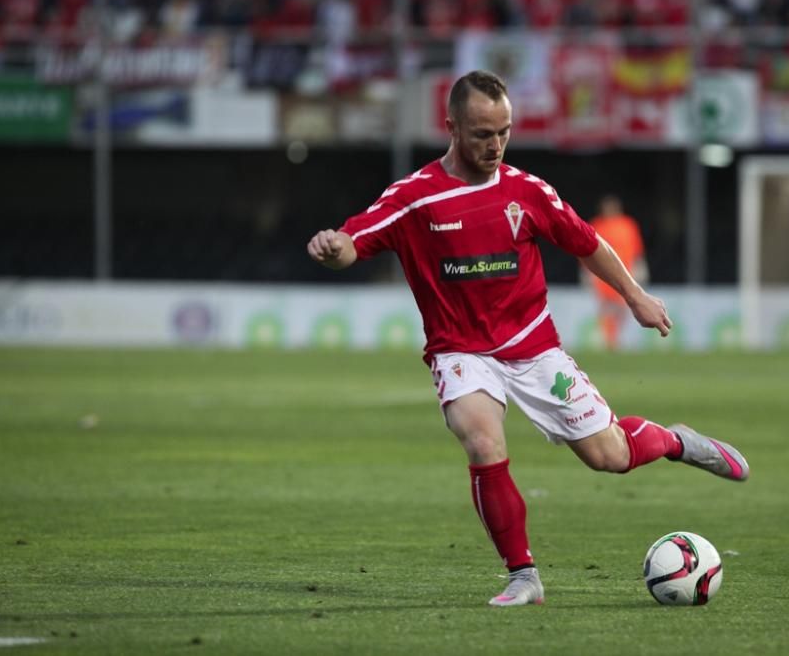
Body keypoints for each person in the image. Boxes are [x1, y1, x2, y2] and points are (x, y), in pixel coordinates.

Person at [307, 70, 749, 607]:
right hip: (460, 349)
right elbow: (356, 239)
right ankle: (523, 576)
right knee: (482, 437)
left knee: (610, 456)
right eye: (481, 134)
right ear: (451, 127)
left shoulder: (527, 191)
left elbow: (587, 244)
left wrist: (634, 297)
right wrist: (336, 248)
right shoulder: (416, 197)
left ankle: (677, 440)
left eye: (504, 132)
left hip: (535, 348)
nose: (495, 146)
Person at [585, 194, 648, 350]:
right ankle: (609, 340)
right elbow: (586, 250)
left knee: (622, 306)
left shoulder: (628, 225)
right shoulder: (596, 225)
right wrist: (586, 272)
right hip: (603, 273)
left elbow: (636, 249)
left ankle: (616, 338)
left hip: (625, 272)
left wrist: (640, 267)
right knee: (606, 306)